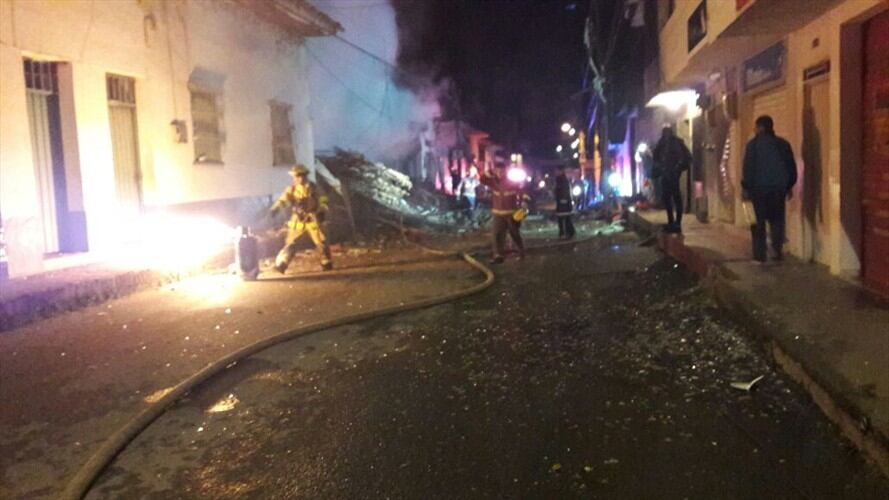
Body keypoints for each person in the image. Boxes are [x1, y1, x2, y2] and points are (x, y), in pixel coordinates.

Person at [742, 115, 797, 263]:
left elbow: (748, 168)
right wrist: (789, 186)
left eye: (756, 127)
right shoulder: (783, 144)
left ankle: (760, 256)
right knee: (777, 221)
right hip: (778, 190)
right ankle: (777, 252)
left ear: (761, 128)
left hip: (758, 190)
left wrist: (746, 188)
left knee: (758, 223)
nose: (754, 129)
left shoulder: (753, 146)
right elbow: (791, 167)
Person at [271, 165, 333, 273]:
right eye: (295, 176)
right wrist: (275, 209)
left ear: (304, 176)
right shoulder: (292, 189)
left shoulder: (314, 188)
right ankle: (282, 264)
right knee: (290, 243)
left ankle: (326, 262)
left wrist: (322, 211)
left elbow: (323, 199)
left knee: (321, 241)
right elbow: (283, 199)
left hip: (313, 217)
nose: (297, 178)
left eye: (299, 176)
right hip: (297, 219)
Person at [480, 161, 527, 264]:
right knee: (496, 234)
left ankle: (521, 251)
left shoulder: (512, 181)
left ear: (505, 171)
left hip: (511, 214)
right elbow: (482, 179)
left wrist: (524, 202)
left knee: (514, 233)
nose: (500, 173)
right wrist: (490, 171)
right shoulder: (492, 182)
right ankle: (498, 255)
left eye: (502, 171)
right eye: (497, 171)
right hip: (498, 213)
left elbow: (521, 192)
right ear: (495, 171)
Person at [652, 126, 691, 233]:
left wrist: (677, 168)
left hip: (673, 174)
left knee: (676, 197)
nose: (666, 135)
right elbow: (656, 157)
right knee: (667, 198)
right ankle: (671, 221)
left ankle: (677, 223)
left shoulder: (676, 143)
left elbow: (685, 157)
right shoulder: (662, 143)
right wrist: (659, 168)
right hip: (665, 174)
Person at [553, 165, 575, 239]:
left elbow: (564, 191)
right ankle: (568, 232)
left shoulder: (562, 180)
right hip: (562, 202)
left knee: (563, 218)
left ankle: (565, 233)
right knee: (565, 218)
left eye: (557, 171)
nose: (555, 172)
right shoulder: (560, 179)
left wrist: (563, 200)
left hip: (563, 203)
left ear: (560, 171)